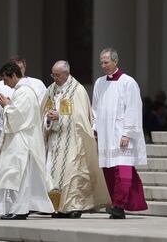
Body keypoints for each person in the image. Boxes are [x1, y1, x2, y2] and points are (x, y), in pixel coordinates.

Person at [42, 61, 110, 218]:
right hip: (55, 141)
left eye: (58, 75)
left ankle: (74, 207)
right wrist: (49, 119)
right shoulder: (51, 90)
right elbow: (43, 112)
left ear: (67, 74)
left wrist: (60, 117)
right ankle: (59, 208)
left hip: (73, 140)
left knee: (72, 174)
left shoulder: (77, 90)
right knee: (52, 175)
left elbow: (81, 119)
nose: (55, 78)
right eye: (53, 75)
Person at [0, 62, 54, 220]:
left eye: (6, 79)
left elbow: (18, 116)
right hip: (20, 140)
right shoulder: (21, 91)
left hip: (23, 142)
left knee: (20, 177)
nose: (5, 83)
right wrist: (8, 105)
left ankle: (20, 210)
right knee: (17, 177)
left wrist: (6, 106)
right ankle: (18, 209)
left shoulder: (24, 92)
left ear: (13, 75)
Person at [92, 48, 148, 219]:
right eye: (101, 62)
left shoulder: (128, 82)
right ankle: (117, 204)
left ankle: (119, 205)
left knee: (123, 171)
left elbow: (133, 109)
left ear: (115, 62)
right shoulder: (99, 83)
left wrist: (127, 133)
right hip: (105, 134)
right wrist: (95, 128)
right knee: (109, 170)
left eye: (106, 62)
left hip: (122, 134)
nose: (103, 65)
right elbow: (95, 108)